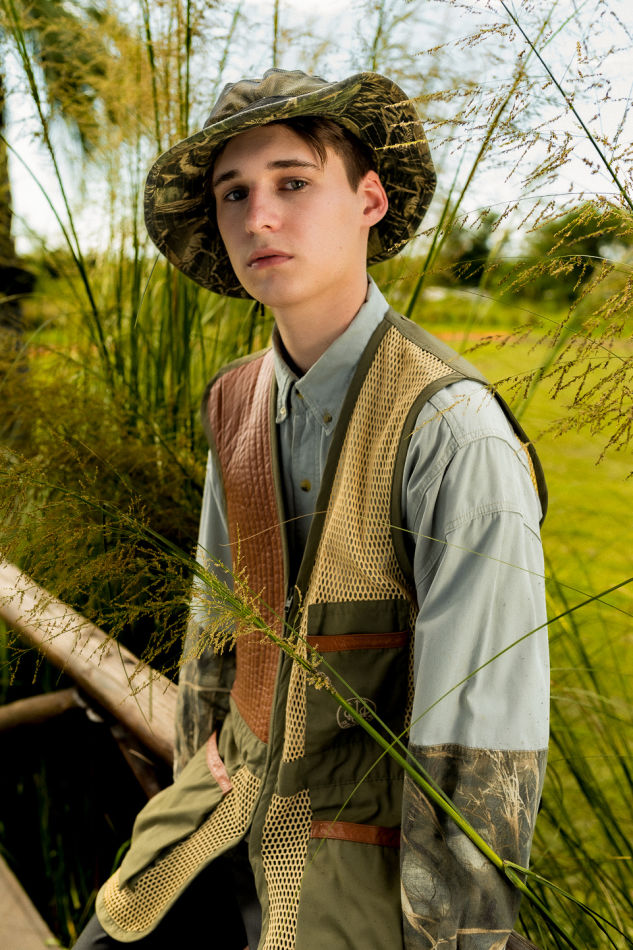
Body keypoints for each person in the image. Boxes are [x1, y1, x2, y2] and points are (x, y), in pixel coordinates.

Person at [75, 68, 549, 950]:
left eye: (292, 182)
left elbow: (480, 746)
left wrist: (453, 933)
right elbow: (212, 630)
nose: (258, 216)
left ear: (368, 199)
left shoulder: (450, 430)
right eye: (234, 193)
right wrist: (197, 773)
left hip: (366, 856)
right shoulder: (235, 401)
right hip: (219, 810)